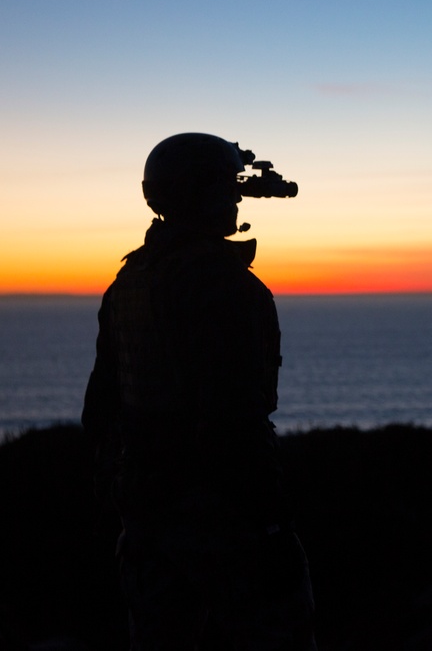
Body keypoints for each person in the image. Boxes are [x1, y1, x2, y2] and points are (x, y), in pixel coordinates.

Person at [82, 133, 316, 650]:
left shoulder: (128, 283)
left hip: (146, 515)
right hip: (221, 516)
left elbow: (101, 408)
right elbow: (234, 420)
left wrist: (122, 499)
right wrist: (271, 527)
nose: (236, 199)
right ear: (203, 195)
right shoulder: (222, 284)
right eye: (226, 188)